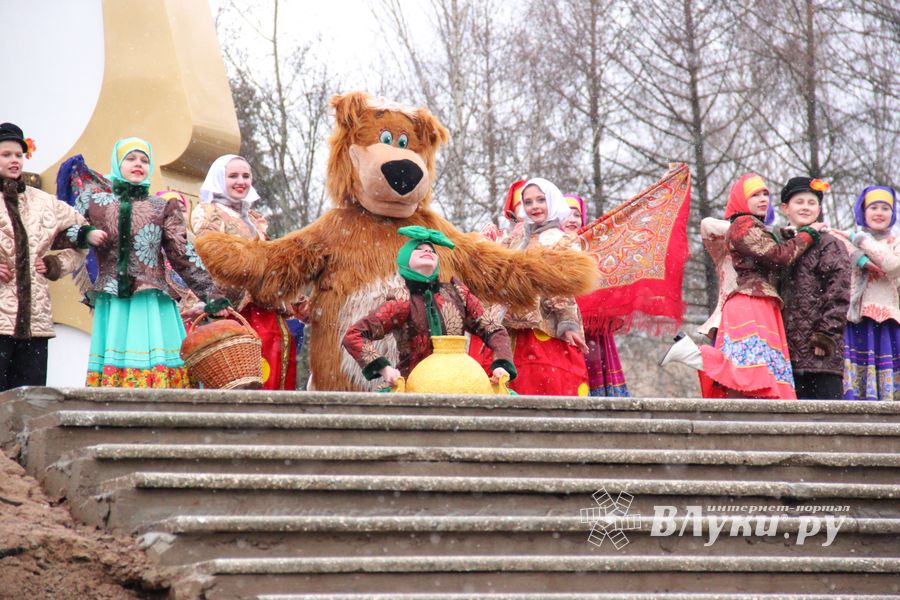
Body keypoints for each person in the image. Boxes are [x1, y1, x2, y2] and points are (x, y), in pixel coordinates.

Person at [70, 137, 229, 387]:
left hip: (151, 300)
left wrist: (211, 295)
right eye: (130, 158)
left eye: (144, 160)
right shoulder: (94, 202)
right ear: (117, 163)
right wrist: (84, 234)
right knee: (116, 373)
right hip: (113, 300)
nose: (138, 164)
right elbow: (63, 232)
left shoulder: (162, 207)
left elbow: (182, 253)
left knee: (161, 375)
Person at [660, 173, 825, 399]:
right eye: (755, 194)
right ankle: (694, 354)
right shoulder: (742, 224)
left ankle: (693, 354)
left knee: (755, 375)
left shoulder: (754, 226)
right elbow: (779, 256)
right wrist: (808, 234)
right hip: (751, 301)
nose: (763, 199)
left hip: (761, 302)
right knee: (751, 374)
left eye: (766, 194)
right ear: (740, 199)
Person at [0, 122, 106, 390]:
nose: (14, 160)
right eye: (6, 154)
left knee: (30, 401)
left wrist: (55, 263)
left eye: (18, 154)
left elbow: (82, 234)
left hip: (35, 322)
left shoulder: (43, 202)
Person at [342, 226, 515, 387]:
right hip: (415, 387)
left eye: (432, 250)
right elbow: (354, 335)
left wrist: (502, 364)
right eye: (419, 249)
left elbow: (494, 329)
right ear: (405, 260)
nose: (427, 250)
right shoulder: (401, 300)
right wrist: (384, 369)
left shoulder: (458, 293)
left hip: (460, 384)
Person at [192, 154, 301, 390]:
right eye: (233, 176)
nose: (240, 181)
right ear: (220, 179)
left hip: (263, 308)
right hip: (229, 310)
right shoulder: (209, 212)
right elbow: (207, 261)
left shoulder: (254, 218)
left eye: (245, 176)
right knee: (236, 375)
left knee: (272, 368)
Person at [477, 178, 589, 396]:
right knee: (507, 382)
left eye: (541, 200)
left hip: (543, 327)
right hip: (510, 328)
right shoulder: (516, 240)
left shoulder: (563, 241)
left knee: (542, 382)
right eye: (528, 202)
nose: (534, 206)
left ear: (553, 201)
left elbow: (563, 288)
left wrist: (568, 325)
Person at [777, 177, 850, 399]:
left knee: (825, 420)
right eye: (799, 202)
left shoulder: (829, 244)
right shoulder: (781, 246)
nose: (806, 207)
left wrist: (825, 335)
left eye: (811, 203)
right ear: (785, 208)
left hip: (818, 350)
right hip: (785, 349)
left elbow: (839, 292)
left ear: (819, 209)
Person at [831, 185, 900, 400]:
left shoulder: (895, 242)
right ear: (863, 211)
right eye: (873, 207)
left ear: (893, 213)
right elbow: (833, 238)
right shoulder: (847, 240)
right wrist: (860, 257)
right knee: (856, 380)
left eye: (885, 208)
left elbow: (891, 265)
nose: (879, 213)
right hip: (856, 320)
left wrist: (859, 239)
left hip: (887, 320)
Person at [564, 191, 629, 397]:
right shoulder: (548, 246)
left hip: (595, 334)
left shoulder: (595, 248)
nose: (572, 219)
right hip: (564, 328)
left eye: (576, 214)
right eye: (566, 213)